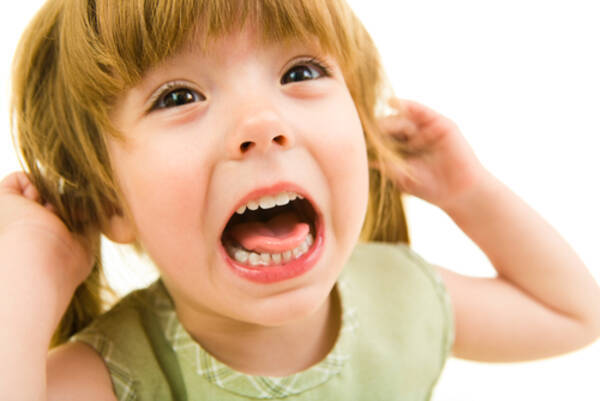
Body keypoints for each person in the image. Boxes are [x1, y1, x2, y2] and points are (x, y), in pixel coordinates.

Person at [1, 0, 599, 400]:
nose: (261, 124)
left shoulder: (399, 298)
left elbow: (574, 315)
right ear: (109, 200)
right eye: (178, 96)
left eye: (300, 72)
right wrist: (29, 274)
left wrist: (470, 194)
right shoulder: (120, 375)